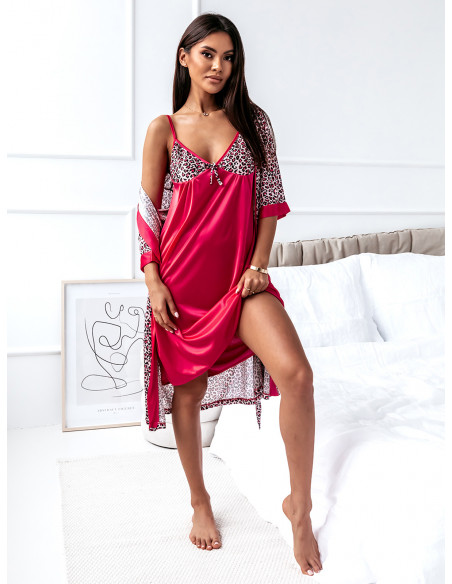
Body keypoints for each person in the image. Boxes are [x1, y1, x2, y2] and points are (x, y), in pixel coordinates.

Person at [137, 12, 322, 578]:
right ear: (184, 56)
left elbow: (270, 202)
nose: (219, 66)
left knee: (297, 376)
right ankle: (200, 500)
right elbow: (147, 215)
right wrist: (153, 281)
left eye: (229, 57)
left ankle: (299, 507)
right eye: (208, 54)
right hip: (183, 287)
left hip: (241, 284)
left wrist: (259, 265)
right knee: (188, 396)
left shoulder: (253, 122)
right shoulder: (164, 130)